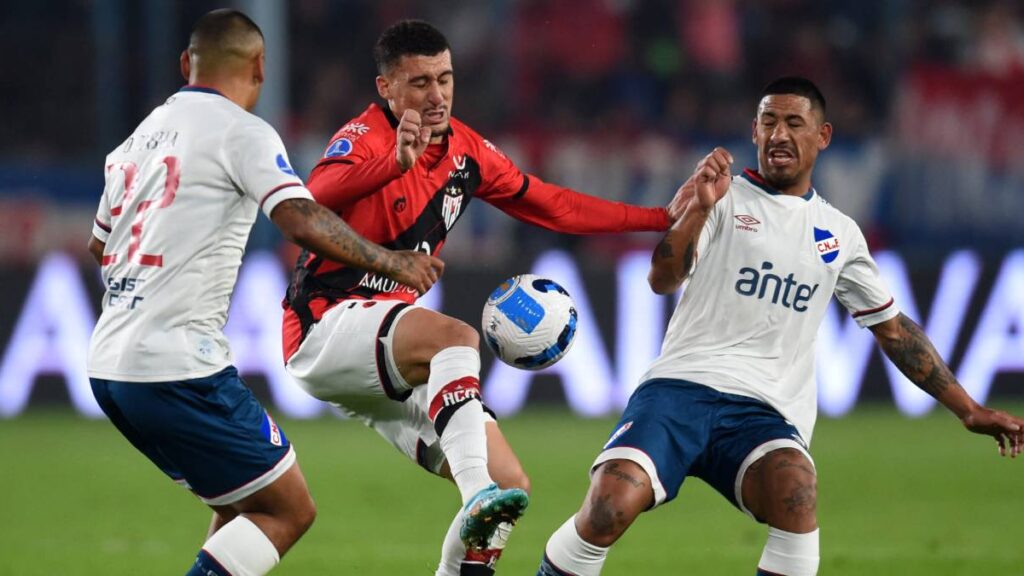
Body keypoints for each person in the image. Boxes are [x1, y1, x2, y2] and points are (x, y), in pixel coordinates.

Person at [536, 76, 1024, 576]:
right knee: (610, 503)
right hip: (679, 388)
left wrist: (968, 409)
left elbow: (895, 331)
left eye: (794, 122)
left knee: (796, 488)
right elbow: (662, 278)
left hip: (765, 412)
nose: (779, 134)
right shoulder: (721, 196)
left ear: (823, 136)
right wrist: (698, 210)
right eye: (768, 122)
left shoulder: (840, 234)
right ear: (754, 130)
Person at [282, 19, 681, 576]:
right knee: (456, 337)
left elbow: (554, 205)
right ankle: (474, 494)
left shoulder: (466, 151)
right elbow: (308, 198)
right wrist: (391, 164)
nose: (437, 94)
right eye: (419, 82)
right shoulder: (365, 136)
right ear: (386, 89)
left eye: (444, 79)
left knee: (510, 486)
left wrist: (661, 216)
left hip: (385, 349)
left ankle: (477, 512)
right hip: (325, 323)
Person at [86, 9, 441, 576]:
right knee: (288, 510)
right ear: (260, 67)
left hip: (108, 365)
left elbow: (99, 248)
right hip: (177, 366)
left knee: (242, 504)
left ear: (186, 65)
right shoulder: (241, 131)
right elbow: (299, 217)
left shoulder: (135, 141)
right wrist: (390, 261)